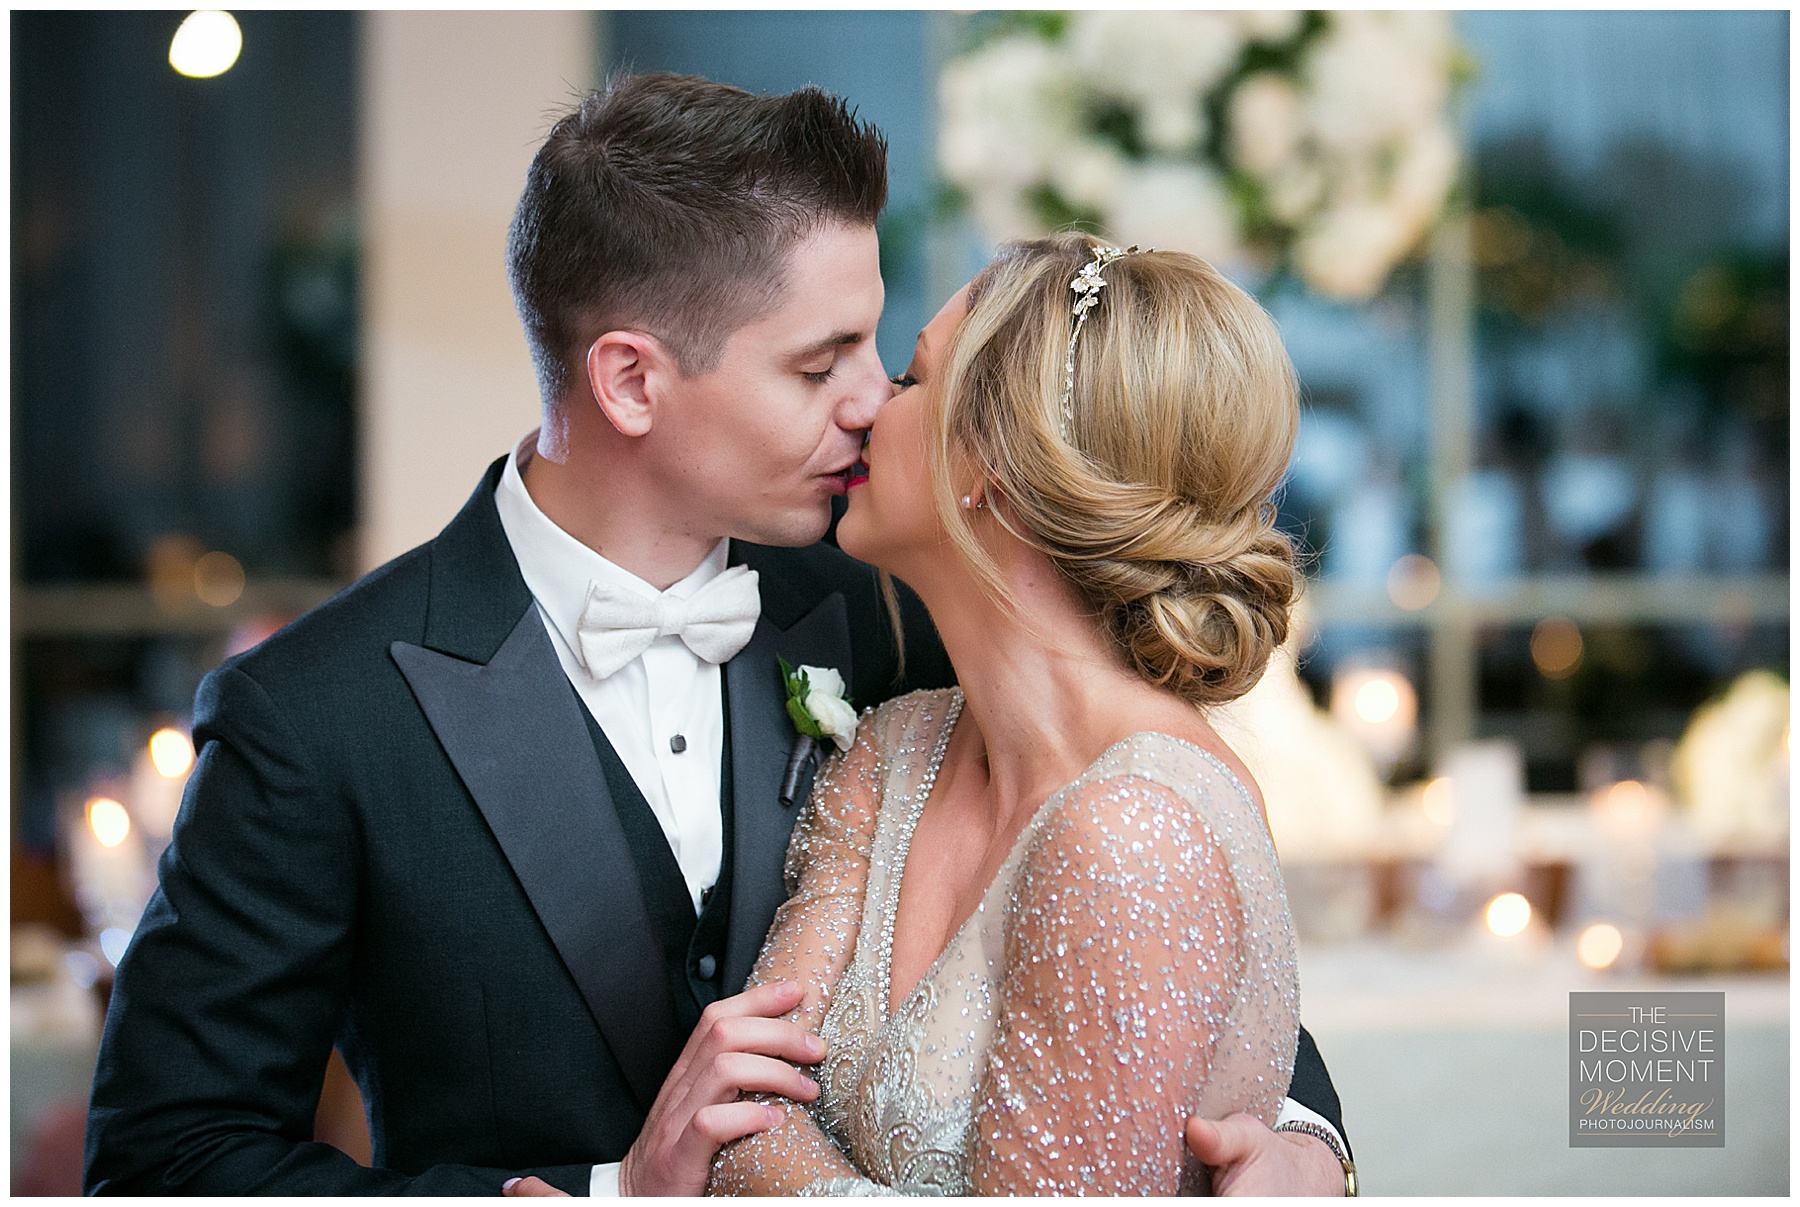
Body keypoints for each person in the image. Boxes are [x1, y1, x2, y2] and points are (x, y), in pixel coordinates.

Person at [84, 74, 1347, 1196]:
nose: (874, 400)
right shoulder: (316, 715)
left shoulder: (899, 607)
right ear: (631, 380)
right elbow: (163, 1163)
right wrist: (604, 1195)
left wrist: (1302, 1140)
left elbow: (1137, 923)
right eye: (820, 364)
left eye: (878, 346)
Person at [704, 234, 1322, 1195]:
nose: (868, 406)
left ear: (989, 457)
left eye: (911, 379)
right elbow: (739, 1115)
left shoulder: (1134, 835)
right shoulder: (892, 751)